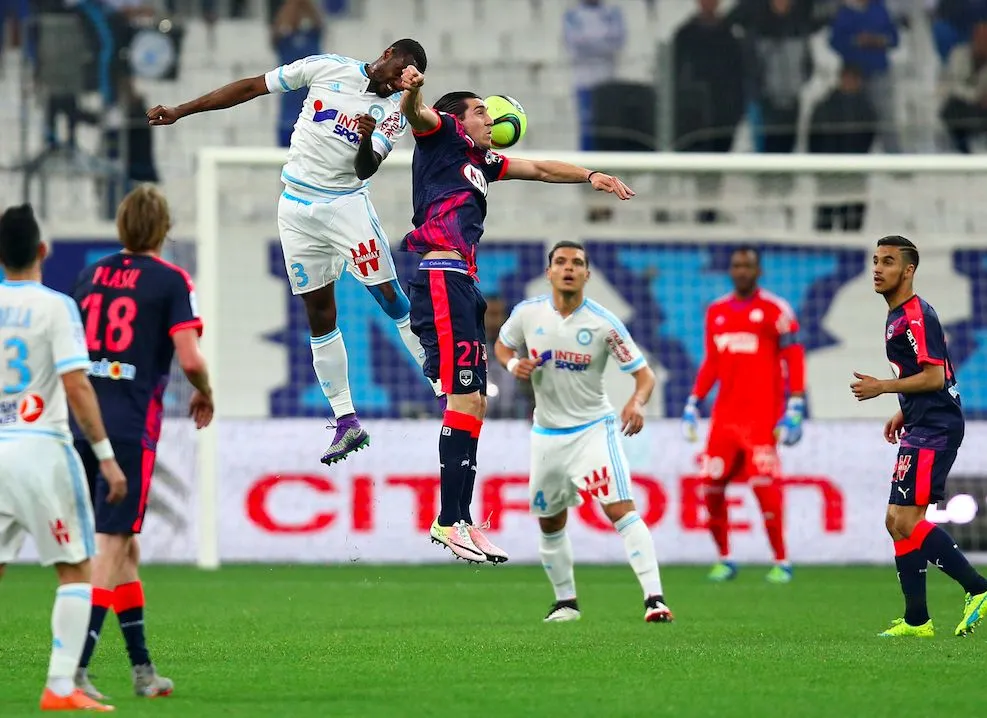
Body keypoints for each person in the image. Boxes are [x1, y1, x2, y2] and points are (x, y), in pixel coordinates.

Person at [146, 38, 437, 465]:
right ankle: (345, 422)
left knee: (390, 299)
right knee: (319, 314)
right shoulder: (327, 68)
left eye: (404, 83)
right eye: (398, 72)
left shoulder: (393, 112)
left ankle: (443, 386)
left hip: (346, 206)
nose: (395, 85)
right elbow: (250, 88)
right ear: (389, 54)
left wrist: (367, 137)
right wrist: (180, 111)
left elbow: (365, 168)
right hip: (296, 208)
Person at [398, 69, 634, 563]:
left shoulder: (481, 161)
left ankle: (459, 518)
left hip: (460, 279)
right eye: (481, 109)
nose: (491, 117)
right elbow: (413, 112)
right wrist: (413, 87)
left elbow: (543, 169)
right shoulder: (441, 134)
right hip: (440, 271)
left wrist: (590, 176)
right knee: (466, 397)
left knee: (475, 400)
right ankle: (449, 521)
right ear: (456, 118)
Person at [70, 185, 214, 699]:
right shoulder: (171, 279)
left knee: (125, 544)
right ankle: (74, 670)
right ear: (165, 228)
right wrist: (205, 393)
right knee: (111, 545)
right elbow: (191, 359)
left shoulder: (89, 275)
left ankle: (143, 672)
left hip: (78, 422)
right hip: (129, 427)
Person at [494, 241, 673, 623]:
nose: (569, 268)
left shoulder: (604, 323)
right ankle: (566, 603)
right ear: (549, 272)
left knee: (620, 509)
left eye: (577, 263)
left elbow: (644, 374)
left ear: (587, 275)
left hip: (594, 429)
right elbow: (503, 347)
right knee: (550, 520)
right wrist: (513, 367)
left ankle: (654, 599)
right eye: (561, 262)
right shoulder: (527, 314)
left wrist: (637, 402)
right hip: (547, 435)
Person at [0, 204, 124, 712]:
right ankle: (59, 687)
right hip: (41, 447)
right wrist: (106, 456)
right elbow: (76, 384)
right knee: (75, 567)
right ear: (42, 251)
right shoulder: (55, 307)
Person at [851, 235, 987, 637]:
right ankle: (917, 621)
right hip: (919, 422)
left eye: (888, 262)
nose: (878, 268)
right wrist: (902, 410)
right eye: (875, 260)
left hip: (936, 429)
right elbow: (934, 372)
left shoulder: (915, 315)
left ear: (908, 270)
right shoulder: (897, 314)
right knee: (895, 521)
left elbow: (934, 376)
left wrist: (883, 388)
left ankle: (977, 587)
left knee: (909, 522)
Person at [681, 247, 806, 583]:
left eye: (747, 266)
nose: (741, 271)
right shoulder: (717, 311)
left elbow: (794, 355)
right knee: (710, 486)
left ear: (758, 271)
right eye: (736, 265)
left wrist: (795, 403)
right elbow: (712, 361)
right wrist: (694, 400)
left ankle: (781, 560)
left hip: (762, 417)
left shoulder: (775, 310)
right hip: (724, 418)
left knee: (764, 486)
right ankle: (725, 558)